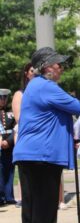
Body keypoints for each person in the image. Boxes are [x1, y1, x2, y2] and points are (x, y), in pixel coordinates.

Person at [13, 47, 80, 223]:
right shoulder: (46, 87)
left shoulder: (35, 86)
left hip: (33, 156)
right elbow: (77, 106)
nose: (61, 67)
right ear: (45, 67)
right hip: (41, 157)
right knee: (43, 213)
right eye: (57, 64)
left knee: (37, 213)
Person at [12, 62, 35, 208]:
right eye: (32, 71)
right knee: (26, 175)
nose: (34, 73)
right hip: (25, 137)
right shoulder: (20, 94)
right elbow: (19, 118)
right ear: (26, 73)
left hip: (42, 139)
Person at [0, 88, 16, 205]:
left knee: (10, 170)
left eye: (5, 98)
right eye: (1, 98)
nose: (3, 100)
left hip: (9, 146)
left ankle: (9, 196)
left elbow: (16, 129)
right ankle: (1, 197)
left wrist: (9, 142)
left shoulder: (11, 113)